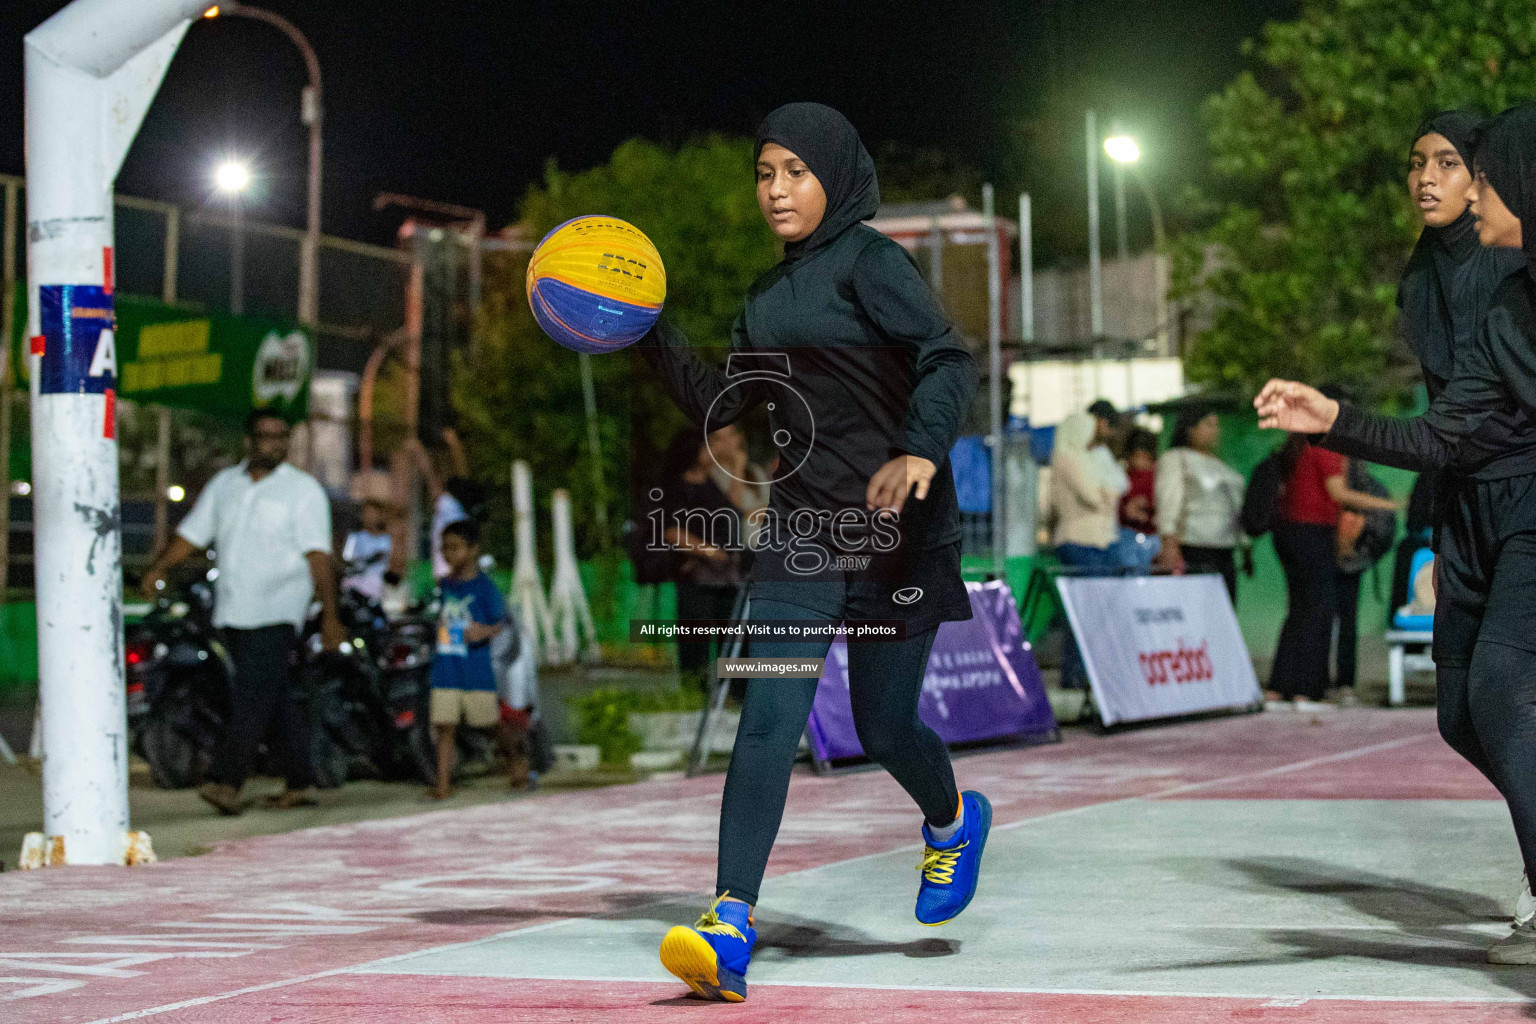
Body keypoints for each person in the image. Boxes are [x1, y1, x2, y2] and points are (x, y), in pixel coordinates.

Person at [638, 102, 986, 1002]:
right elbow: (732, 407)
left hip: (898, 531)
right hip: (801, 533)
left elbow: (947, 358)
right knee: (767, 721)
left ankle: (950, 821)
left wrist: (919, 449)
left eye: (795, 171)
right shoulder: (765, 299)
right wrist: (644, 330)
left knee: (884, 727)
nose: (776, 190)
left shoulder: (873, 265)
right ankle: (729, 924)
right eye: (764, 173)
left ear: (833, 174)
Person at [1255, 105, 1536, 960]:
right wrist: (1332, 416)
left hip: (1527, 500)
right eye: (1421, 162)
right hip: (1464, 500)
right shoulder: (1445, 285)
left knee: (1498, 689)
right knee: (1459, 712)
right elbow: (1443, 430)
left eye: (1458, 165)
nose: (1435, 180)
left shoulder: (1510, 284)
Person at [141, 409, 342, 815]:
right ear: (249, 441)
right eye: (266, 436)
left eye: (282, 436)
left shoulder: (303, 491)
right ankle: (301, 780)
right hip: (233, 610)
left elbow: (319, 555)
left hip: (280, 608)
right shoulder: (225, 486)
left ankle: (227, 780)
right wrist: (160, 567)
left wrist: (330, 615)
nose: (275, 443)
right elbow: (193, 534)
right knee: (273, 695)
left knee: (252, 695)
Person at [1266, 435, 1399, 707]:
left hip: (1289, 533)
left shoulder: (1298, 447)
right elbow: (1338, 493)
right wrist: (1390, 505)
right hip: (1312, 533)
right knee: (1319, 611)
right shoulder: (1325, 445)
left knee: (1300, 611)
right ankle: (1306, 690)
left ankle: (1279, 689)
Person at [659, 426, 752, 696]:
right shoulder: (677, 485)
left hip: (726, 575)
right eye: (705, 446)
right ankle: (693, 694)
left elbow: (734, 508)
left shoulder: (712, 481)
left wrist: (737, 467)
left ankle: (737, 694)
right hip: (696, 574)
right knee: (695, 640)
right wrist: (711, 551)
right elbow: (672, 531)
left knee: (734, 637)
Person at [428, 518, 506, 800]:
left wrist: (483, 632)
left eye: (456, 548)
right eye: (445, 549)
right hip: (446, 668)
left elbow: (502, 622)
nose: (450, 554)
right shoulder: (443, 586)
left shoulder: (485, 588)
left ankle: (515, 759)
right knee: (444, 727)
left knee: (488, 724)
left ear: (473, 550)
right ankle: (443, 785)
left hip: (475, 669)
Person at [1153, 405, 1246, 602]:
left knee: (1224, 610)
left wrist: (1245, 544)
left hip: (1225, 549)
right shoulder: (1177, 458)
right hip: (1194, 547)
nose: (1215, 431)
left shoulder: (1220, 465)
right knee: (1199, 609)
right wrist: (1169, 543)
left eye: (1216, 426)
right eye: (1208, 425)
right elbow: (1169, 501)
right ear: (1190, 428)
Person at [341, 498, 394, 601]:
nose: (370, 517)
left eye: (374, 513)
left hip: (381, 590)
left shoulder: (388, 539)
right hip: (357, 589)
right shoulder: (354, 537)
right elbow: (346, 560)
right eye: (367, 513)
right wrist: (370, 558)